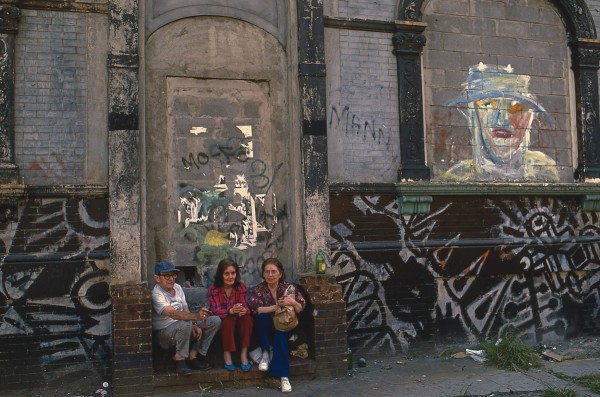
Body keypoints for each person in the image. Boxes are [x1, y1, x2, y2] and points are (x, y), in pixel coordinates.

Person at [442, 62, 559, 182]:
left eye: (517, 107)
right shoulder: (457, 177)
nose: (502, 120)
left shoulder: (544, 172)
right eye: (487, 104)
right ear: (473, 114)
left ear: (530, 117)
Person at [152, 261, 221, 375]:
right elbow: (173, 313)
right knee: (185, 323)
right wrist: (195, 317)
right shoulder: (157, 294)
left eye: (173, 275)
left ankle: (194, 354)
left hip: (184, 328)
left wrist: (194, 324)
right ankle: (179, 359)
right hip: (164, 334)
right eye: (166, 276)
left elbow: (185, 309)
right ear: (157, 278)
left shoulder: (178, 288)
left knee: (214, 321)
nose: (171, 279)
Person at [249, 258, 306, 393]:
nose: (270, 275)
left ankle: (283, 377)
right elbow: (256, 309)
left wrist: (292, 302)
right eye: (267, 272)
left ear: (280, 273)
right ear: (263, 274)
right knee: (262, 317)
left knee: (280, 334)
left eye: (273, 272)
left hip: (286, 325)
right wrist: (276, 306)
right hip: (266, 328)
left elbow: (300, 308)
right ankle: (265, 354)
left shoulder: (289, 288)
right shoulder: (259, 289)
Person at [208, 258, 254, 372]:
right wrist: (230, 311)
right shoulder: (214, 290)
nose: (230, 277)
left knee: (247, 319)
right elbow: (214, 310)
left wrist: (244, 310)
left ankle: (244, 354)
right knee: (228, 320)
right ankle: (227, 354)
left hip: (239, 318)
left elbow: (246, 306)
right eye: (226, 274)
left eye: (233, 273)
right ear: (221, 275)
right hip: (225, 319)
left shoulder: (241, 287)